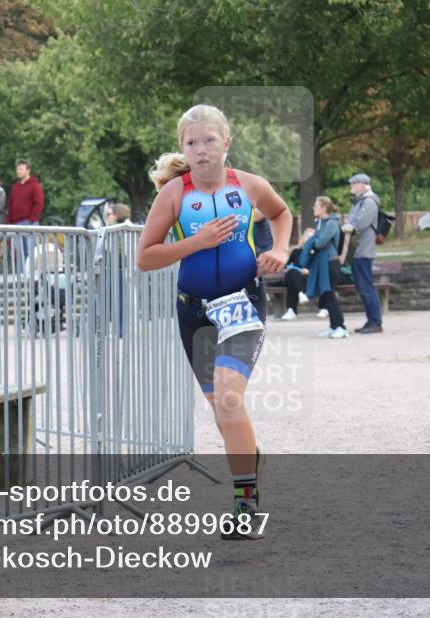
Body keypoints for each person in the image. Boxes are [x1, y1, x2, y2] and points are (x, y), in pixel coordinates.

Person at [137, 104, 291, 540]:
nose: (200, 150)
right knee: (222, 410)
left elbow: (282, 214)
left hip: (242, 303)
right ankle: (249, 460)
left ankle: (246, 504)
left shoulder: (249, 186)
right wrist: (197, 242)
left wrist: (281, 249)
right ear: (182, 148)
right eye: (191, 143)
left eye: (208, 140)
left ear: (227, 142)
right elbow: (145, 257)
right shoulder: (174, 195)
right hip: (195, 311)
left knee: (227, 399)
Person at [300, 196, 347, 338]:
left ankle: (341, 327)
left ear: (323, 208)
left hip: (330, 263)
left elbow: (320, 242)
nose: (313, 208)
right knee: (325, 296)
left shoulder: (332, 223)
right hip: (323, 264)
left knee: (330, 294)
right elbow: (318, 240)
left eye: (316, 205)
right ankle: (333, 326)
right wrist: (315, 240)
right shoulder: (321, 222)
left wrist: (312, 242)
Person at [343, 173, 383, 333]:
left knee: (366, 286)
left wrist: (350, 226)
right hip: (358, 250)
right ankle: (371, 320)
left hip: (364, 250)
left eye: (354, 184)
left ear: (362, 185)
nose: (351, 187)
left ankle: (376, 322)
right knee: (362, 287)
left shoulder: (369, 201)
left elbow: (362, 222)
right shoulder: (360, 201)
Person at [7, 159, 44, 270]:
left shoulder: (34, 185)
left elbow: (39, 202)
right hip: (16, 223)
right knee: (18, 250)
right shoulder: (15, 186)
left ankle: (32, 272)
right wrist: (10, 220)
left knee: (30, 249)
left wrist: (33, 218)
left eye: (21, 169)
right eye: (17, 169)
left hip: (29, 222)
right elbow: (11, 204)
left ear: (28, 170)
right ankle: (22, 273)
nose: (18, 171)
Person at [278, 228, 314, 321]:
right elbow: (287, 265)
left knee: (292, 279)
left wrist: (309, 271)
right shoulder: (296, 251)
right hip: (294, 276)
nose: (308, 238)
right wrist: (287, 269)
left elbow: (318, 268)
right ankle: (300, 294)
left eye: (311, 237)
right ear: (303, 237)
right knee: (291, 274)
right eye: (307, 236)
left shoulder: (315, 252)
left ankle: (291, 309)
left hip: (309, 279)